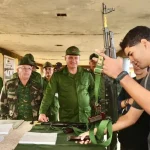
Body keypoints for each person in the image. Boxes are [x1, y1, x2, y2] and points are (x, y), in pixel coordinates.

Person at [79, 26, 150, 148]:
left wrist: (120, 74)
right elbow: (130, 117)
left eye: (131, 54)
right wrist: (96, 132)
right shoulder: (147, 80)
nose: (132, 60)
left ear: (144, 44)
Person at [39, 46, 94, 123]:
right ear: (65, 58)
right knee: (67, 135)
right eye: (70, 57)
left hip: (85, 115)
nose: (73, 60)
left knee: (86, 135)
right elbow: (49, 94)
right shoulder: (57, 76)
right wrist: (42, 112)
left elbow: (93, 91)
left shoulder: (86, 74)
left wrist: (87, 103)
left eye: (76, 58)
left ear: (79, 59)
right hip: (67, 117)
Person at [0, 57, 43, 121]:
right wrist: (4, 120)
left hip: (32, 121)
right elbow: (2, 104)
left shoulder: (37, 86)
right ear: (18, 70)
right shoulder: (8, 85)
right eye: (23, 68)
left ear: (31, 71)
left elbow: (42, 104)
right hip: (13, 121)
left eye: (29, 68)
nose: (26, 70)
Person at [118, 64, 149, 150]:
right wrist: (128, 101)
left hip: (144, 136)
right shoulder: (129, 83)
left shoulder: (148, 83)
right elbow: (117, 105)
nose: (137, 65)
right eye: (134, 63)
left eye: (138, 62)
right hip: (126, 135)